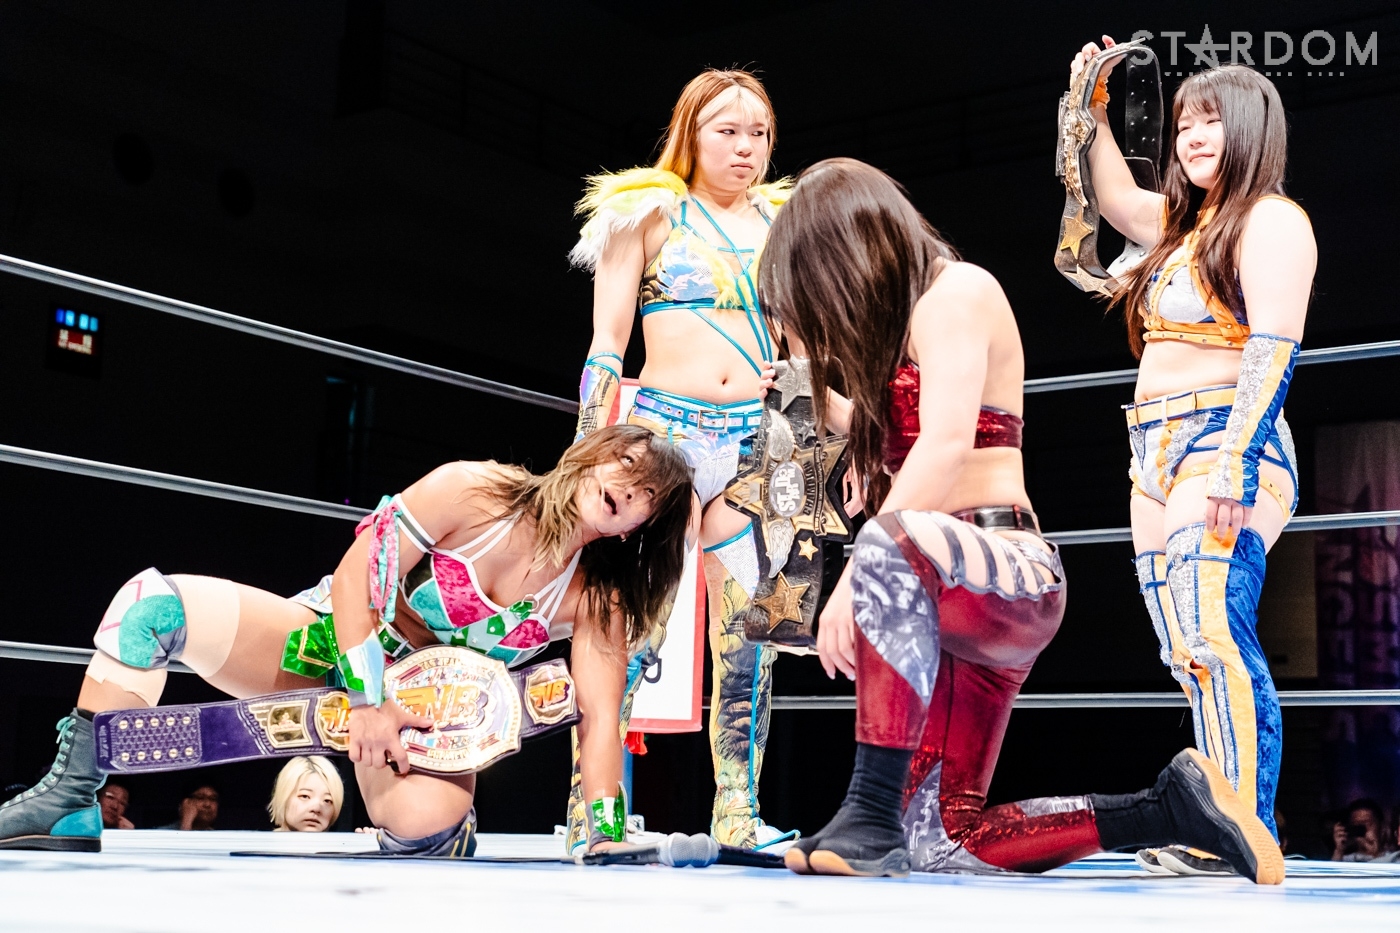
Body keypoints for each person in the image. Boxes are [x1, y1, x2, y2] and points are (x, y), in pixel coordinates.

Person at [758, 157, 1284, 884]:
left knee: (886, 543)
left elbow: (947, 443)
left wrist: (857, 575)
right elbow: (909, 437)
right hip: (941, 593)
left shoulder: (954, 291)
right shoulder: (902, 331)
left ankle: (868, 812)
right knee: (940, 840)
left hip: (1006, 567)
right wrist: (829, 403)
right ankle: (1165, 808)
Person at [0, 424, 691, 855]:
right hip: (331, 646)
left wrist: (605, 829)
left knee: (427, 826)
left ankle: (446, 827)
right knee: (150, 607)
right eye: (626, 468)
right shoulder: (475, 490)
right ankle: (69, 799)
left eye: (647, 498)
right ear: (596, 455)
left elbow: (600, 716)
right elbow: (360, 571)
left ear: (641, 526)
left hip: (418, 724)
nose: (628, 492)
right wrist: (365, 696)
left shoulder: (595, 597)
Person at [1069, 38, 1316, 875]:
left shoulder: (1271, 220)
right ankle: (1220, 824)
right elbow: (1113, 197)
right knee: (1184, 647)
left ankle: (1244, 822)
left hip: (1224, 437)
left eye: (1212, 120)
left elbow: (1274, 346)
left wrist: (1236, 458)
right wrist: (1094, 105)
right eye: (1183, 123)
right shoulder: (1185, 227)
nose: (1193, 136)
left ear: (1250, 128)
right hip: (1152, 450)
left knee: (1214, 628)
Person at [569, 68, 801, 851]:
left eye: (759, 133)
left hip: (754, 439)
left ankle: (738, 811)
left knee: (747, 639)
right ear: (691, 133)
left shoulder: (785, 223)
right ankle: (591, 808)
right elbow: (607, 344)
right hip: (664, 438)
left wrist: (800, 403)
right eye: (728, 131)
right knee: (632, 630)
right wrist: (585, 453)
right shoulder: (644, 212)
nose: (746, 148)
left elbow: (807, 340)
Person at [269, 756, 343, 832]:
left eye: (327, 801)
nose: (316, 808)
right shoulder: (263, 839)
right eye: (305, 796)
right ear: (283, 797)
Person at [1331, 798, 1395, 862]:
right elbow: (1334, 868)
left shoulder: (1393, 859)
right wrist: (1339, 850)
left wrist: (1375, 855)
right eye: (1357, 825)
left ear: (1381, 827)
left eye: (1368, 824)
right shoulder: (1344, 860)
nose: (1363, 829)